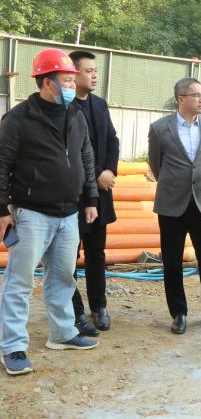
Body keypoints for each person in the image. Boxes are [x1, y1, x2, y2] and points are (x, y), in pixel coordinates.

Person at [0, 48, 100, 376]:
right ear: (47, 82)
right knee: (20, 282)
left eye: (73, 79)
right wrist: (2, 210)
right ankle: (13, 346)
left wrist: (90, 199)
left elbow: (86, 157)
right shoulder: (19, 119)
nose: (73, 85)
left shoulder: (76, 115)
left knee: (62, 277)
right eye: (67, 80)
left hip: (68, 213)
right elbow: (1, 164)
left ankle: (62, 332)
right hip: (31, 213)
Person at [147, 78, 201, 335]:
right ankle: (178, 313)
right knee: (172, 262)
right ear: (180, 99)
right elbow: (156, 165)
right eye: (196, 95)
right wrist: (174, 183)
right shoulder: (160, 128)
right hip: (171, 204)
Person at [69, 50, 119, 335]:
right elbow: (72, 150)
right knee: (68, 256)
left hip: (100, 195)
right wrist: (97, 174)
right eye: (89, 71)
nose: (94, 75)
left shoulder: (99, 105)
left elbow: (112, 140)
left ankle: (99, 306)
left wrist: (109, 170)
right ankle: (74, 309)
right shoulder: (64, 107)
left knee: (96, 253)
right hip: (73, 196)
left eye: (95, 71)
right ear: (74, 73)